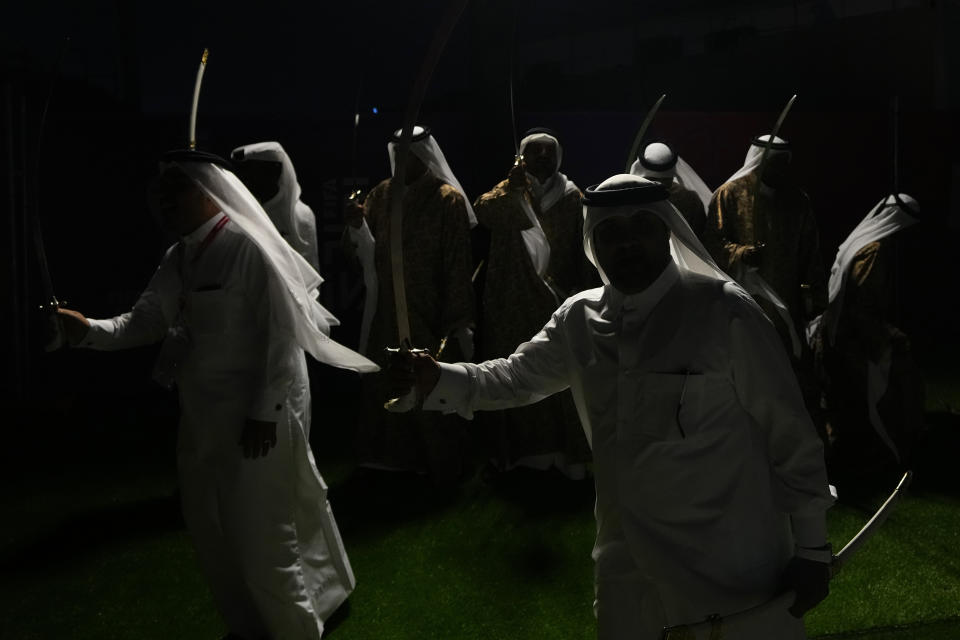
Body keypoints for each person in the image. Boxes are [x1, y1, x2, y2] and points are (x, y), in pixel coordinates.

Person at [388, 175, 834, 639]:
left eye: (642, 227)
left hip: (728, 564)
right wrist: (438, 377)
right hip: (626, 565)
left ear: (667, 230)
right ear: (593, 242)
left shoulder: (725, 311)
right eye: (611, 233)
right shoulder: (580, 318)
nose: (628, 244)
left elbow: (789, 433)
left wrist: (813, 548)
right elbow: (516, 377)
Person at [56, 149, 376, 640]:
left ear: (208, 191)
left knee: (264, 538)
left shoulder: (249, 248)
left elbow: (281, 336)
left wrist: (265, 412)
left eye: (175, 191)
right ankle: (250, 626)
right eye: (160, 193)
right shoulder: (179, 256)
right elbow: (145, 321)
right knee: (209, 529)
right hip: (201, 418)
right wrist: (87, 330)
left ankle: (294, 630)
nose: (164, 202)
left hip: (256, 422)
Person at [342, 124, 476, 485]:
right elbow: (359, 256)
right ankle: (388, 458)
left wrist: (455, 314)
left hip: (429, 307)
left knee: (429, 380)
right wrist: (356, 228)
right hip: (388, 305)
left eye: (410, 154)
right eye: (397, 154)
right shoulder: (381, 195)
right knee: (389, 377)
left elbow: (457, 261)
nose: (403, 160)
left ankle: (437, 460)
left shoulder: (447, 198)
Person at [470, 127, 594, 478]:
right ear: (522, 157)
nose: (542, 157)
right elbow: (484, 213)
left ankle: (566, 456)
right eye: (535, 151)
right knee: (513, 373)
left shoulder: (573, 197)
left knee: (560, 378)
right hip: (511, 303)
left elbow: (584, 252)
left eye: (548, 151)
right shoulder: (509, 190)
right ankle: (518, 455)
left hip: (558, 300)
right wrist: (512, 188)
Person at [807, 193, 924, 481]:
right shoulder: (871, 252)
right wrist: (886, 337)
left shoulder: (856, 242)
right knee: (876, 396)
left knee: (842, 404)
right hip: (849, 339)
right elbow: (860, 305)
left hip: (835, 334)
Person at [702, 134, 827, 362]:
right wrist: (741, 254)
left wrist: (813, 297)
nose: (779, 171)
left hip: (787, 297)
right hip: (746, 296)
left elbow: (810, 252)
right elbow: (712, 244)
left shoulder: (797, 200)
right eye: (773, 164)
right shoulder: (728, 195)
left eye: (783, 165)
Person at [231, 141, 320, 270]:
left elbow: (309, 266)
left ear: (274, 172)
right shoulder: (244, 209)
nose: (246, 178)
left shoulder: (300, 214)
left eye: (253, 171)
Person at [629, 140, 711, 238]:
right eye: (653, 180)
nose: (659, 185)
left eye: (665, 180)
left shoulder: (690, 200)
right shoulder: (630, 199)